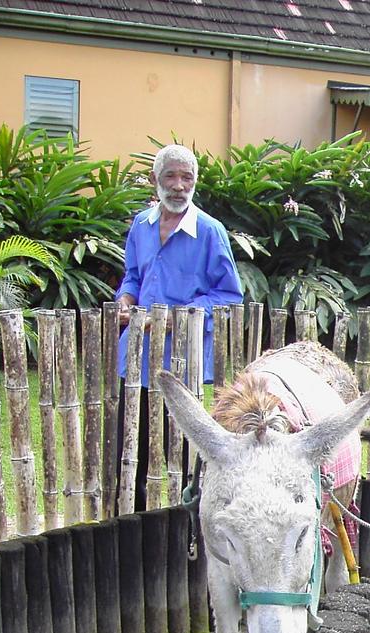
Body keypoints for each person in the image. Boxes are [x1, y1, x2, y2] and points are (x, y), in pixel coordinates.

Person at [114, 143, 243, 505]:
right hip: (137, 357)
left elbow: (230, 296)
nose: (178, 185)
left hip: (184, 363)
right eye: (170, 176)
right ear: (156, 180)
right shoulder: (142, 225)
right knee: (132, 446)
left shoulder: (209, 231)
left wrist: (176, 319)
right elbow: (132, 277)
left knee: (181, 452)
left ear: (195, 183)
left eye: (186, 177)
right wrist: (124, 300)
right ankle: (132, 513)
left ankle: (182, 517)